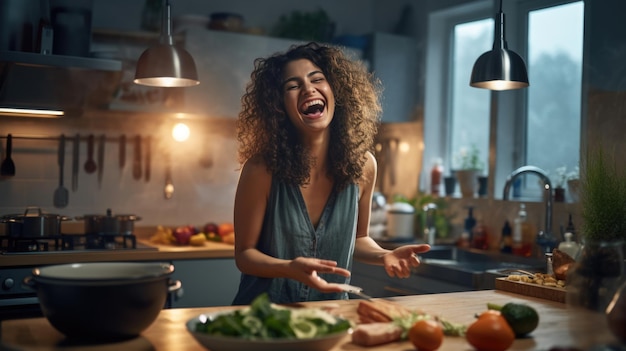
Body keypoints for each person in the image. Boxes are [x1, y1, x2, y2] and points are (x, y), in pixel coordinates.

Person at [232, 42, 430, 305]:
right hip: (265, 318)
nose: (308, 89)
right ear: (279, 106)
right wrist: (287, 268)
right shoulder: (260, 170)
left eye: (317, 79)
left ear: (336, 90)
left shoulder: (364, 166)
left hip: (332, 316)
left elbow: (359, 239)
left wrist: (384, 255)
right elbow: (245, 255)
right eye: (293, 86)